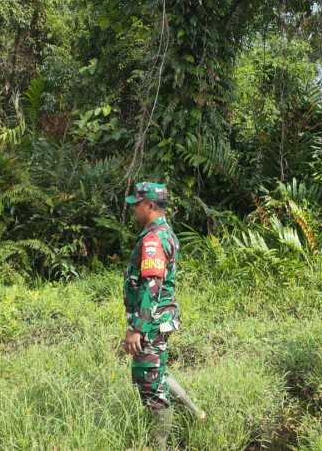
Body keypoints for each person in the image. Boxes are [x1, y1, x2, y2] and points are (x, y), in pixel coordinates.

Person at [123, 181, 183, 446]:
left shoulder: (153, 240)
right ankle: (192, 415)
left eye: (137, 205)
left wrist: (137, 327)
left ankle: (158, 443)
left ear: (149, 205)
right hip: (159, 321)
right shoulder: (164, 233)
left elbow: (152, 285)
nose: (134, 210)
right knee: (157, 374)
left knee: (149, 384)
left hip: (151, 324)